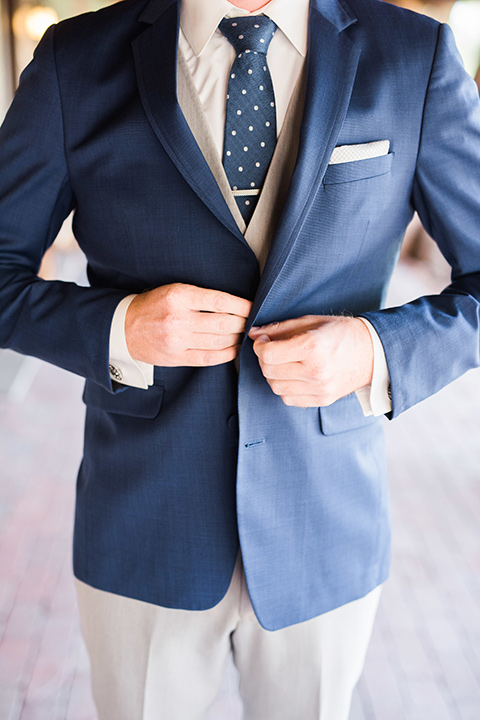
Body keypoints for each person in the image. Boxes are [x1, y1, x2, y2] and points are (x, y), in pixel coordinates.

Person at [1, 0, 479, 718]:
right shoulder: (75, 58)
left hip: (322, 530)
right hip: (142, 528)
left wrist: (373, 349)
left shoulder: (415, 56)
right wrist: (120, 330)